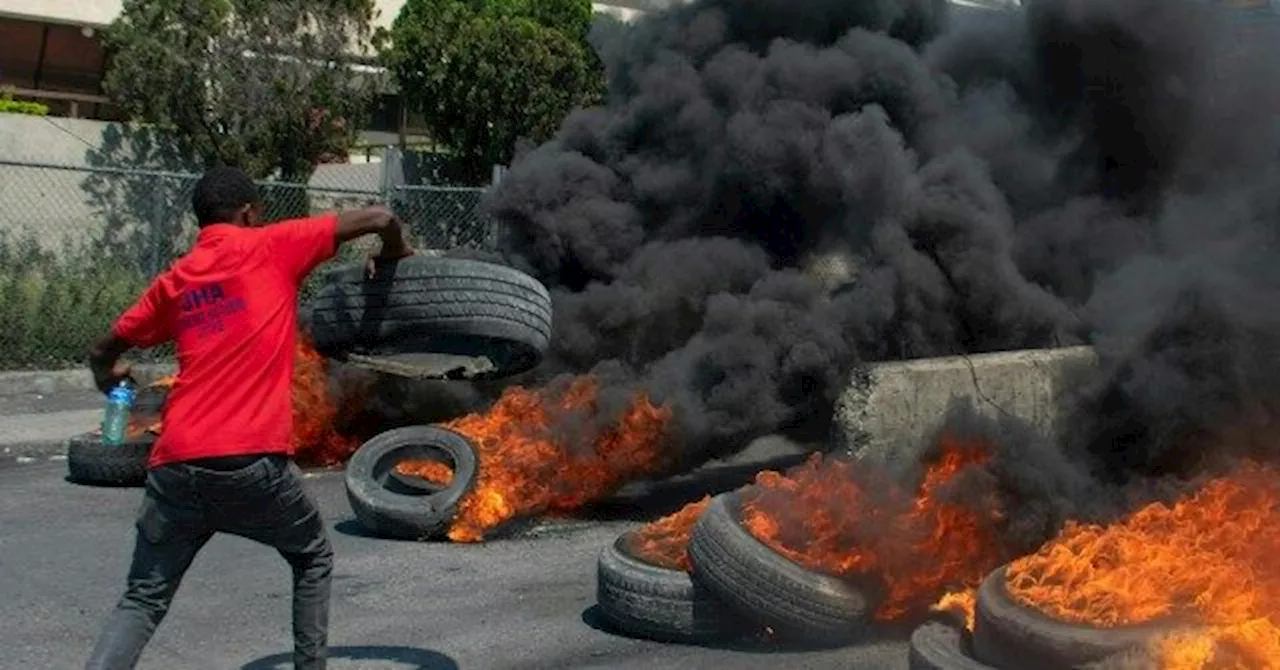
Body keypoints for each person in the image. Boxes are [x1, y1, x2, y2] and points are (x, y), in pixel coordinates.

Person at [83, 165, 413, 670]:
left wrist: (109, 376)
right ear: (248, 212)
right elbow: (380, 214)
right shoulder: (269, 245)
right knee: (312, 557)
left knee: (142, 601)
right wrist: (394, 252)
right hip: (249, 462)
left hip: (173, 466)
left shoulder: (177, 280)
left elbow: (104, 344)